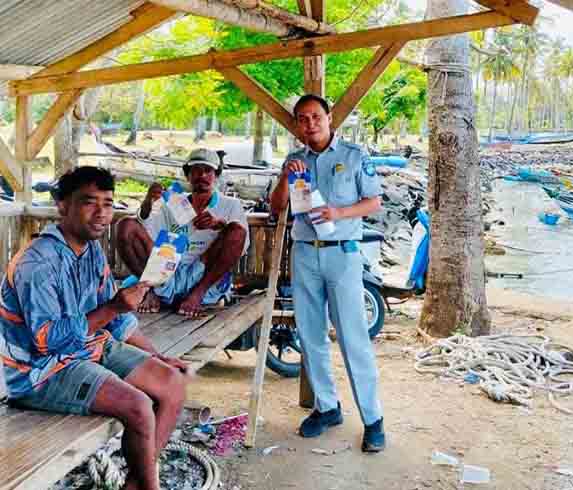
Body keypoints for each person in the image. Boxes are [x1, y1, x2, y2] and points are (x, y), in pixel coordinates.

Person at [0, 167, 188, 490]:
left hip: (87, 347)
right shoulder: (38, 263)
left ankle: (137, 483)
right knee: (140, 406)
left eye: (108, 203)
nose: (101, 213)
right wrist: (114, 306)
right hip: (39, 372)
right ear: (63, 206)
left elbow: (118, 321)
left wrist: (157, 357)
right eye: (89, 202)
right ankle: (149, 485)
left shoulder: (90, 252)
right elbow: (46, 341)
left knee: (172, 383)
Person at [269, 94, 386, 452]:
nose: (310, 124)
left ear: (329, 117)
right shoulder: (294, 161)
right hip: (305, 253)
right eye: (302, 119)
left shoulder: (353, 157)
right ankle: (327, 407)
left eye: (316, 116)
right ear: (297, 125)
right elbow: (277, 209)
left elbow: (375, 202)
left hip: (343, 255)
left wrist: (339, 213)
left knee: (353, 337)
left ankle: (373, 419)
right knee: (311, 334)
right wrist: (286, 180)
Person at [116, 149, 249, 317]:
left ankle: (196, 296)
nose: (202, 175)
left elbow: (241, 246)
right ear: (188, 175)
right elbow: (146, 233)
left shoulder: (230, 205)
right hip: (166, 271)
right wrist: (148, 203)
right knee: (126, 226)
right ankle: (150, 290)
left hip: (204, 276)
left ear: (216, 175)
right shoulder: (173, 201)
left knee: (236, 230)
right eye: (196, 170)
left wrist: (220, 225)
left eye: (208, 171)